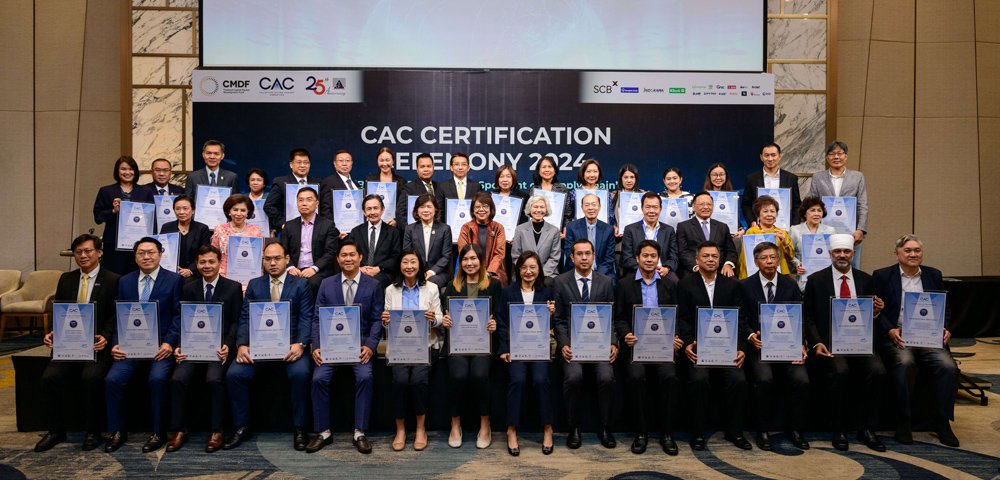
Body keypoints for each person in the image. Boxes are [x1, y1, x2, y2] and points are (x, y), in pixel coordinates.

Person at [224, 241, 314, 451]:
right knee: (234, 374)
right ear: (262, 261)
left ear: (287, 259)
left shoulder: (300, 284)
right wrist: (242, 344)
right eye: (267, 259)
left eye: (277, 258)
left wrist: (301, 344)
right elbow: (245, 317)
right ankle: (241, 426)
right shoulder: (255, 284)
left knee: (301, 374)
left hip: (291, 346)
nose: (272, 263)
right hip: (259, 346)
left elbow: (306, 317)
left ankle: (300, 428)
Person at [35, 234, 120, 453]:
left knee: (91, 377)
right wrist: (53, 332)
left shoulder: (113, 279)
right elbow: (60, 310)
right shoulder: (66, 279)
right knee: (50, 377)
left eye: (88, 251)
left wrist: (106, 336)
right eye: (78, 252)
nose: (83, 255)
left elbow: (115, 314)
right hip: (69, 345)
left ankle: (93, 431)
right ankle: (55, 430)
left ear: (99, 253)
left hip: (96, 345)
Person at [802, 233, 887, 452]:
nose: (842, 255)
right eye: (838, 251)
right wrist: (816, 343)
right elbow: (807, 317)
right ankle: (838, 428)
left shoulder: (866, 280)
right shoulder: (816, 280)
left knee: (877, 371)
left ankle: (867, 428)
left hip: (860, 341)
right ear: (830, 253)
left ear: (853, 253)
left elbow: (870, 315)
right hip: (830, 343)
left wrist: (876, 312)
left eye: (846, 251)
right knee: (840, 371)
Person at [873, 234, 959, 447]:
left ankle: (942, 421)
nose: (913, 254)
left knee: (948, 366)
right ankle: (904, 420)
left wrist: (945, 328)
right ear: (897, 254)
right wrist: (889, 330)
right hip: (898, 336)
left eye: (917, 250)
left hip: (928, 337)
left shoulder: (933, 275)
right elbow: (875, 310)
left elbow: (944, 306)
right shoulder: (882, 276)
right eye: (908, 251)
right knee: (905, 363)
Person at [103, 237, 183, 453]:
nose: (146, 257)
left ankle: (158, 432)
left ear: (160, 254)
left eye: (151, 252)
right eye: (141, 253)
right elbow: (119, 315)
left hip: (160, 347)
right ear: (135, 256)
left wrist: (169, 343)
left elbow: (178, 315)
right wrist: (116, 343)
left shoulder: (174, 280)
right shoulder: (125, 281)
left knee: (157, 379)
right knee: (113, 379)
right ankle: (117, 431)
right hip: (130, 345)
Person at [307, 240, 384, 454]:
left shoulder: (373, 285)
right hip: (331, 346)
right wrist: (316, 346)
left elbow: (377, 320)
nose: (348, 258)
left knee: (365, 377)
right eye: (344, 255)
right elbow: (317, 318)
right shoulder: (326, 284)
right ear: (338, 259)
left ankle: (360, 432)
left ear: (360, 258)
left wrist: (370, 346)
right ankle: (323, 432)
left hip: (360, 347)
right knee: (318, 378)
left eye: (352, 254)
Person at [166, 245, 243, 453]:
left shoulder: (233, 287)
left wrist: (228, 345)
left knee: (214, 379)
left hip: (219, 348)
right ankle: (179, 429)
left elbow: (236, 321)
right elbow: (183, 320)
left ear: (219, 263)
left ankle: (217, 430)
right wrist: (179, 346)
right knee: (178, 379)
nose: (207, 266)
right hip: (193, 346)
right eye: (202, 262)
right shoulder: (188, 288)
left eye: (211, 262)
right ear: (197, 264)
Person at [677, 241, 751, 451]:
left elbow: (741, 319)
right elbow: (682, 318)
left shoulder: (733, 285)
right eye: (706, 256)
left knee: (738, 379)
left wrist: (741, 347)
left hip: (727, 348)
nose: (710, 260)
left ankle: (735, 432)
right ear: (697, 259)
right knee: (699, 380)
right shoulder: (685, 284)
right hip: (698, 348)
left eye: (714, 256)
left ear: (720, 260)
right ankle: (698, 433)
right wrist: (688, 344)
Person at [739, 242, 810, 451]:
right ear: (755, 262)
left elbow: (799, 316)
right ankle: (762, 430)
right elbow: (741, 317)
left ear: (779, 260)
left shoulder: (790, 284)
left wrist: (801, 344)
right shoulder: (745, 285)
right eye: (764, 258)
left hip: (788, 346)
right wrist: (750, 335)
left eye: (772, 257)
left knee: (801, 379)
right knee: (764, 379)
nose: (769, 261)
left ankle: (796, 429)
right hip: (759, 347)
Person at [615, 240, 682, 455]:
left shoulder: (669, 284)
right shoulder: (624, 284)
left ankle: (667, 433)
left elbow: (677, 315)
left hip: (663, 346)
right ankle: (641, 433)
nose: (649, 259)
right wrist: (626, 334)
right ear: (637, 258)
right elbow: (619, 317)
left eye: (653, 256)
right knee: (636, 377)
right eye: (645, 255)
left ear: (658, 259)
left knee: (670, 377)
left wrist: (675, 337)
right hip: (636, 346)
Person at [553, 239, 618, 449]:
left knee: (606, 377)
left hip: (599, 344)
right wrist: (564, 344)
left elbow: (611, 317)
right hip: (573, 346)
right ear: (571, 257)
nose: (583, 258)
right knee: (574, 377)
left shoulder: (606, 282)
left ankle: (605, 427)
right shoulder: (561, 282)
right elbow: (559, 319)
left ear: (593, 256)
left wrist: (613, 343)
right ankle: (574, 427)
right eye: (579, 254)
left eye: (587, 253)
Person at [382, 250, 444, 452]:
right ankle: (400, 429)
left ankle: (420, 429)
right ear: (400, 265)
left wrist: (433, 319)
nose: (409, 266)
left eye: (413, 262)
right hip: (399, 347)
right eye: (405, 262)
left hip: (425, 346)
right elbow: (387, 322)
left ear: (420, 265)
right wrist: (385, 320)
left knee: (418, 380)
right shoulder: (391, 290)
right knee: (400, 380)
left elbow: (440, 318)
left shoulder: (432, 288)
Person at [441, 243, 501, 449]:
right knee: (458, 376)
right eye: (465, 259)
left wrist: (495, 324)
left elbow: (499, 315)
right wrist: (446, 321)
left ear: (481, 261)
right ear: (460, 262)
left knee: (479, 375)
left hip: (484, 343)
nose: (469, 263)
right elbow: (446, 315)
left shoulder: (493, 285)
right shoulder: (452, 286)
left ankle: (485, 423)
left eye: (473, 258)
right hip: (458, 343)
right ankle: (455, 423)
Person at [496, 251, 556, 456]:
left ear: (539, 269)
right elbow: (502, 323)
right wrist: (504, 349)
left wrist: (551, 315)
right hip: (516, 347)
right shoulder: (508, 293)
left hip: (539, 348)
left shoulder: (547, 292)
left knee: (541, 380)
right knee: (518, 379)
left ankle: (548, 427)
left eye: (532, 267)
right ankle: (511, 429)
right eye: (524, 267)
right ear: (518, 270)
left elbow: (553, 324)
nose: (528, 271)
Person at [809, 141, 869, 268]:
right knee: (824, 266)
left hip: (851, 232)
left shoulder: (857, 177)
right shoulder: (818, 177)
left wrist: (861, 230)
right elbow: (812, 204)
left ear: (845, 156)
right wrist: (812, 228)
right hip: (824, 230)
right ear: (827, 157)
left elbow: (862, 205)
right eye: (832, 154)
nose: (836, 157)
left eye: (840, 153)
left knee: (852, 266)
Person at [93, 155, 154, 274]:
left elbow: (151, 218)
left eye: (131, 169)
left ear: (135, 171)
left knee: (136, 275)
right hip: (114, 244)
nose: (127, 172)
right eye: (123, 169)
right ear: (117, 171)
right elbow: (98, 216)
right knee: (113, 276)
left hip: (138, 243)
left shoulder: (146, 191)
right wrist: (113, 211)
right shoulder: (106, 191)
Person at [281, 187, 341, 290]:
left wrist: (314, 268)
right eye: (300, 200)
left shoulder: (327, 225)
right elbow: (283, 251)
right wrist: (290, 267)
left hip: (318, 270)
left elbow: (330, 252)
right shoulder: (289, 226)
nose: (304, 204)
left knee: (311, 283)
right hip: (295, 269)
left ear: (317, 204)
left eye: (309, 200)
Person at [620, 192, 679, 285]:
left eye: (655, 207)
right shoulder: (630, 229)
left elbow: (674, 257)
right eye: (648, 207)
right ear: (642, 208)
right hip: (637, 270)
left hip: (662, 271)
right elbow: (627, 258)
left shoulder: (669, 230)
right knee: (625, 284)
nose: (651, 211)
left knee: (676, 283)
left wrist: (666, 268)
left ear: (660, 209)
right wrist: (645, 269)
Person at [676, 192, 738, 277]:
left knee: (734, 282)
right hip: (694, 269)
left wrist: (728, 264)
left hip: (719, 269)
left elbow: (731, 251)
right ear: (693, 207)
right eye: (702, 204)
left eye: (709, 204)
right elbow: (683, 252)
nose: (706, 207)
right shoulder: (683, 226)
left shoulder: (722, 227)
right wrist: (696, 266)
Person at [740, 143, 803, 226]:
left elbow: (797, 205)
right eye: (766, 155)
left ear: (779, 156)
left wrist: (794, 225)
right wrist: (752, 222)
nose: (770, 159)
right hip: (760, 228)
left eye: (773, 155)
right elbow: (746, 205)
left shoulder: (791, 178)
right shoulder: (752, 179)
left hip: (785, 227)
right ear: (761, 157)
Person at [401, 193, 454, 288]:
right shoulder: (410, 229)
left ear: (435, 210)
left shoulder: (444, 229)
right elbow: (407, 253)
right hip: (415, 271)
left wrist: (432, 272)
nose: (426, 210)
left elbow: (446, 256)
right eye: (422, 207)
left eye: (429, 207)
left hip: (439, 272)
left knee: (429, 284)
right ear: (417, 210)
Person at [349, 194, 401, 288]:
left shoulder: (393, 232)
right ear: (364, 212)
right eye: (369, 209)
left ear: (382, 210)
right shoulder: (356, 232)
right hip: (360, 272)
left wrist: (379, 268)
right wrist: (359, 268)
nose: (372, 212)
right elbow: (350, 254)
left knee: (374, 283)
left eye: (376, 208)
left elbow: (396, 256)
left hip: (384, 273)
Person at [264, 148, 321, 233]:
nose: (302, 165)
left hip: (314, 230)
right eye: (299, 162)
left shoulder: (317, 183)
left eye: (306, 162)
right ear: (291, 164)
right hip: (290, 230)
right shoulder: (281, 182)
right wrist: (282, 223)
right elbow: (269, 206)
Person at [457, 192, 508, 287]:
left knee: (494, 284)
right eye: (477, 207)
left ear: (491, 209)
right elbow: (464, 252)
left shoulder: (498, 228)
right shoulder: (466, 228)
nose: (481, 209)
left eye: (485, 206)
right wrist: (478, 272)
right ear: (473, 210)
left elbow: (499, 254)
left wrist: (489, 272)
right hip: (471, 270)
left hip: (493, 273)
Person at [738, 195, 795, 279]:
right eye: (765, 211)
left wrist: (784, 243)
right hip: (755, 276)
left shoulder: (782, 233)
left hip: (780, 276)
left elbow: (790, 257)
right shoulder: (751, 232)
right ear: (758, 214)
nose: (769, 214)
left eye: (772, 211)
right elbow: (744, 259)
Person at [510, 195, 561, 286]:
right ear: (530, 208)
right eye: (535, 207)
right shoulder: (520, 229)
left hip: (547, 274)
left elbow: (555, 257)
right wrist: (527, 271)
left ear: (546, 209)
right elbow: (516, 255)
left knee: (547, 284)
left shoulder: (554, 231)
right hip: (525, 272)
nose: (538, 210)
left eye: (542, 207)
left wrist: (540, 273)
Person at [210, 194, 264, 279]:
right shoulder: (219, 230)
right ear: (229, 211)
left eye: (243, 210)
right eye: (235, 210)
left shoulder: (256, 231)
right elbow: (213, 254)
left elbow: (260, 257)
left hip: (249, 275)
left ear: (248, 212)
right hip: (223, 275)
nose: (239, 214)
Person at [159, 195, 213, 280]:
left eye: (185, 208)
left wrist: (190, 270)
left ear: (193, 210)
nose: (181, 212)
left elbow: (204, 253)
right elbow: (162, 251)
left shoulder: (202, 228)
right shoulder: (167, 227)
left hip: (195, 274)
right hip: (170, 272)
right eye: (178, 209)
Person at [789, 196, 836, 291]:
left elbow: (835, 253)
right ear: (805, 213)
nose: (816, 214)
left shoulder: (830, 231)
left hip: (825, 278)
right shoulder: (794, 230)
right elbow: (789, 254)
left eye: (819, 210)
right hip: (802, 279)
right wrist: (797, 265)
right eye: (812, 210)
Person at [564, 192, 616, 279]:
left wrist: (596, 276)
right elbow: (569, 254)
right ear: (582, 207)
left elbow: (609, 258)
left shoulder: (608, 229)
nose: (590, 208)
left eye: (594, 204)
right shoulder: (572, 227)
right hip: (577, 270)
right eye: (587, 205)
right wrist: (583, 273)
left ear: (599, 207)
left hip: (601, 272)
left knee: (612, 282)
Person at [185, 140, 240, 205]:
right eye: (208, 153)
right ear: (203, 155)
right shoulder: (193, 177)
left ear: (222, 156)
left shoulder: (231, 177)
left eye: (216, 154)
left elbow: (235, 203)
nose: (212, 157)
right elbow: (188, 202)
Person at [364, 146, 408, 228]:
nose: (384, 164)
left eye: (387, 160)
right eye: (381, 160)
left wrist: (396, 220)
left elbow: (403, 206)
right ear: (377, 161)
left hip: (393, 226)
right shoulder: (370, 180)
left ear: (393, 161)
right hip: (374, 224)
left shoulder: (401, 181)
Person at [435, 152, 482, 224]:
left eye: (463, 164)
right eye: (456, 164)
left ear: (468, 168)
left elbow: (479, 209)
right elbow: (439, 211)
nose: (460, 168)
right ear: (451, 167)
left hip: (471, 227)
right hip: (449, 227)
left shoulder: (476, 186)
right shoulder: (442, 186)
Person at [395, 153, 440, 227]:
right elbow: (400, 214)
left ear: (433, 168)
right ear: (417, 169)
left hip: (438, 231)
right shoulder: (408, 188)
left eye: (429, 166)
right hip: (417, 232)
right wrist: (409, 231)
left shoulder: (439, 187)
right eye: (422, 166)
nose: (426, 169)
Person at [703, 163, 744, 237]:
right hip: (709, 236)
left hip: (728, 236)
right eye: (715, 175)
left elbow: (735, 219)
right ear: (709, 177)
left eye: (721, 174)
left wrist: (741, 230)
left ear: (726, 176)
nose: (718, 178)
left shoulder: (733, 197)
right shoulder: (702, 196)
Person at [319, 150, 362, 221]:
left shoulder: (355, 184)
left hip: (356, 224)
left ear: (352, 163)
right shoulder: (328, 182)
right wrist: (333, 227)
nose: (344, 164)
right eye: (341, 161)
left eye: (347, 160)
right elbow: (325, 210)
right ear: (335, 163)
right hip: (338, 226)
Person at [530, 155, 572, 227]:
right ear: (539, 171)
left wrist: (565, 228)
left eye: (550, 167)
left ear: (555, 170)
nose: (547, 170)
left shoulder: (562, 190)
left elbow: (567, 214)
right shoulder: (533, 190)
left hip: (557, 230)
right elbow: (530, 212)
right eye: (544, 167)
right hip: (536, 228)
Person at [610, 163, 643, 237]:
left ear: (636, 179)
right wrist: (614, 227)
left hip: (639, 238)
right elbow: (608, 219)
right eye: (625, 177)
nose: (629, 180)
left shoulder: (643, 195)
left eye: (632, 177)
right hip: (620, 239)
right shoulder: (613, 196)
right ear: (621, 178)